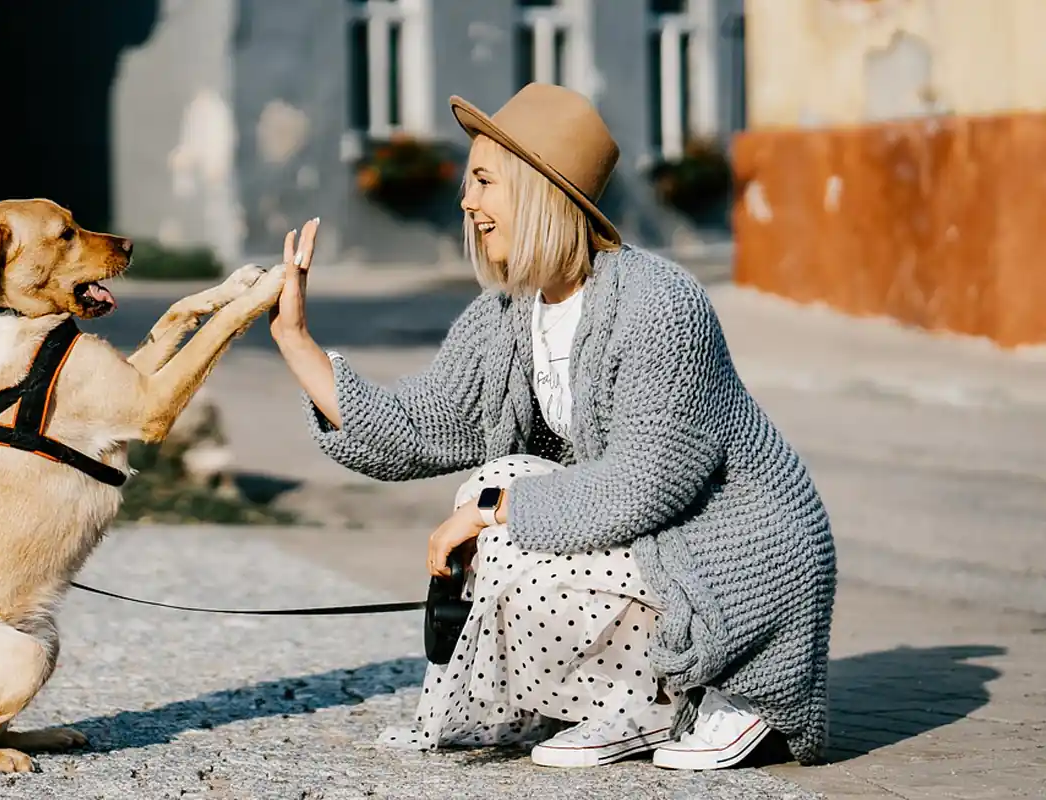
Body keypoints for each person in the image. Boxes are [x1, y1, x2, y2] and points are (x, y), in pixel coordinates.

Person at [267, 84, 836, 771]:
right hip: (653, 546)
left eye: (483, 181)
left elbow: (644, 485)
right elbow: (420, 426)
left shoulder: (661, 304)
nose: (466, 202)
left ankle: (701, 694)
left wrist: (490, 514)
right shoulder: (510, 313)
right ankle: (623, 703)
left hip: (735, 559)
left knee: (499, 507)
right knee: (496, 483)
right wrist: (297, 341)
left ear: (537, 189)